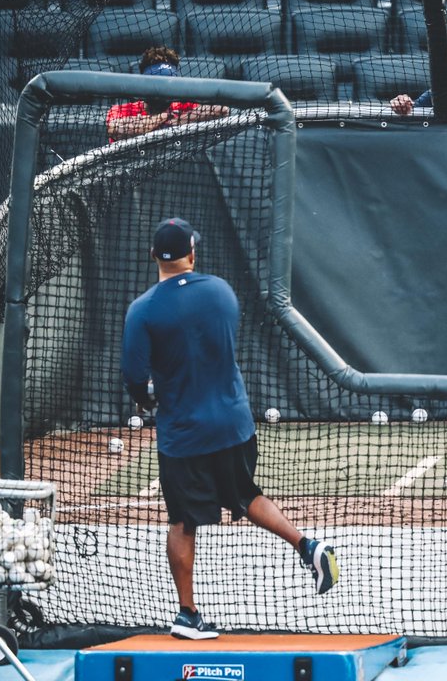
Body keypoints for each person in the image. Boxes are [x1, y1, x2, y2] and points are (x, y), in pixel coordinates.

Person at [121, 217, 339, 640]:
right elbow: (216, 345)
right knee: (245, 494)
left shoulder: (142, 310)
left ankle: (188, 615)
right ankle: (308, 547)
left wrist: (148, 399)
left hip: (184, 433)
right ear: (192, 254)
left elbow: (134, 376)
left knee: (183, 520)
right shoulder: (221, 291)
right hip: (234, 423)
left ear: (153, 257)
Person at [106, 47, 231, 142]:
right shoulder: (122, 110)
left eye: (168, 83)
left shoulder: (184, 106)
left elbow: (222, 111)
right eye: (156, 83)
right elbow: (114, 130)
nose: (162, 90)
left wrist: (152, 124)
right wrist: (168, 117)